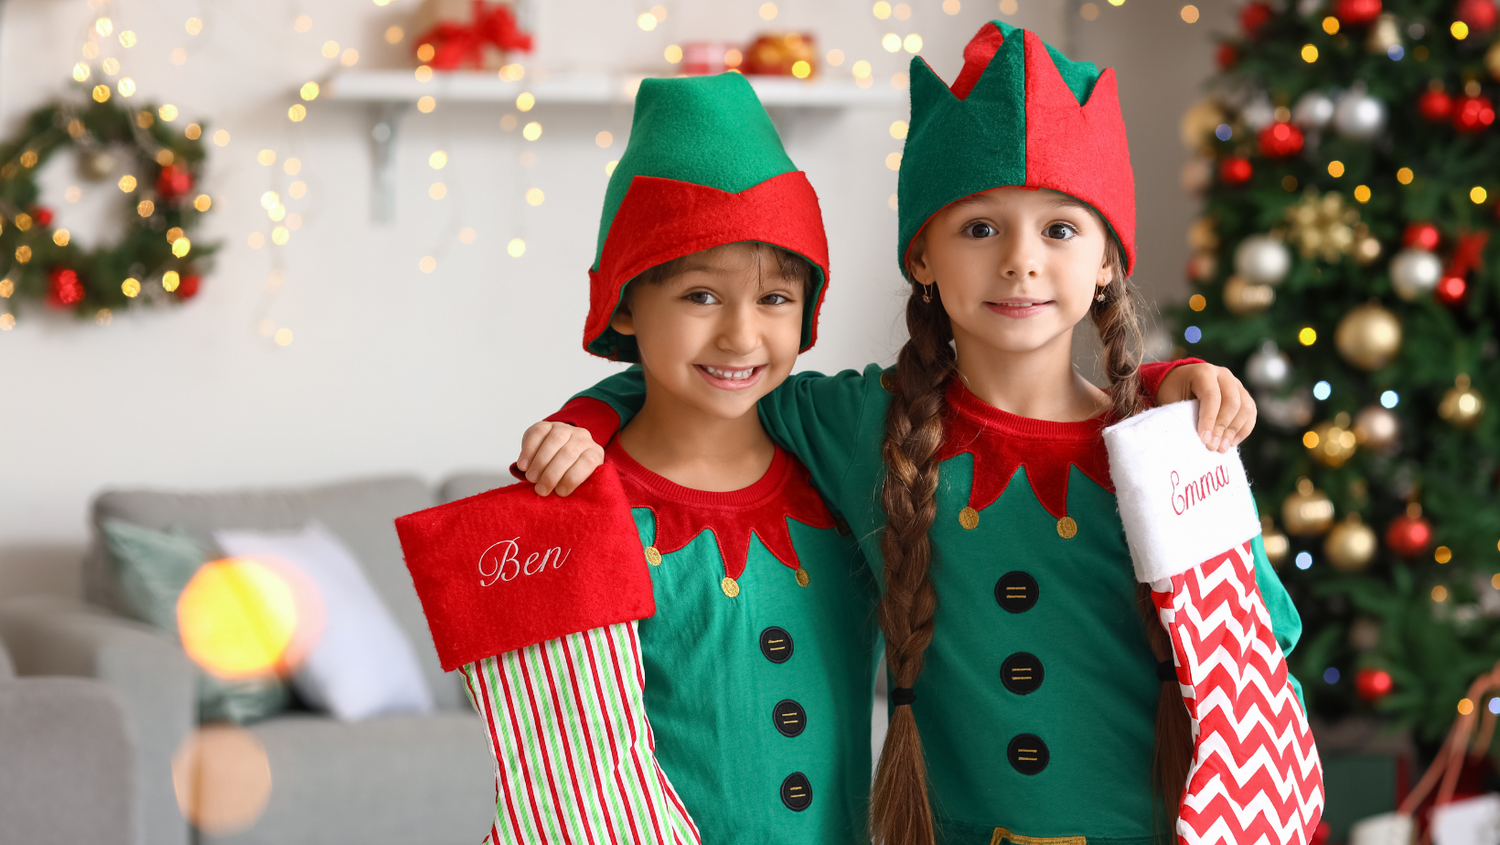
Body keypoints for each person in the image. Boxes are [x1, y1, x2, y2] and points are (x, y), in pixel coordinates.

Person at [516, 21, 1301, 845]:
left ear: (1109, 258)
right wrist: (585, 421)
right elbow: (711, 378)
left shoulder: (1170, 451)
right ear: (921, 254)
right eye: (979, 227)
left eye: (1060, 229)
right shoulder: (860, 422)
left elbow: (1258, 643)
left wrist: (1165, 385)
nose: (1021, 260)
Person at [457, 72, 883, 845]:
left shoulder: (837, 463)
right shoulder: (579, 506)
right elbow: (555, 779)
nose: (741, 336)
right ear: (625, 303)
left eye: (774, 299)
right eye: (700, 296)